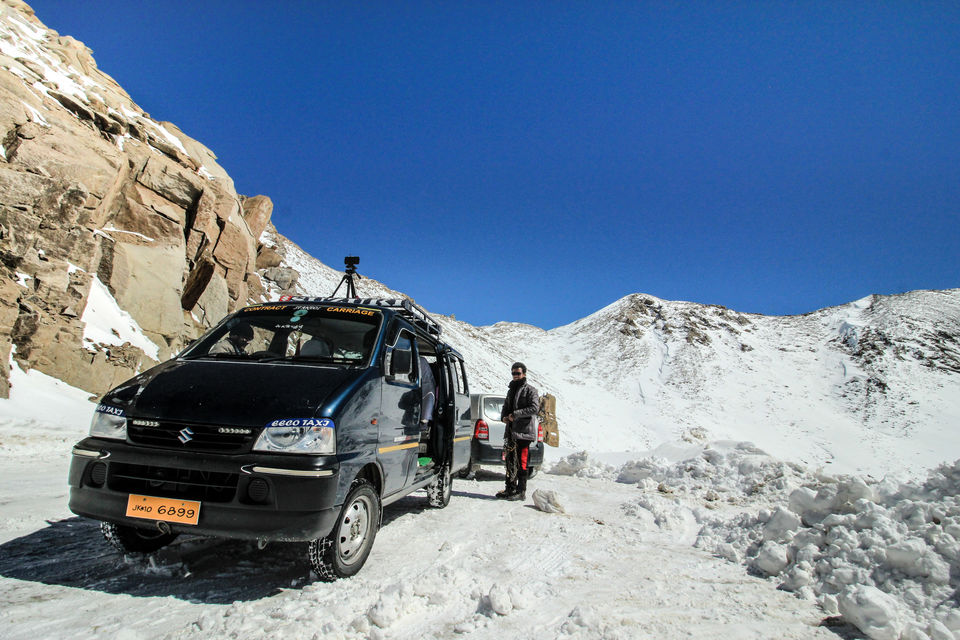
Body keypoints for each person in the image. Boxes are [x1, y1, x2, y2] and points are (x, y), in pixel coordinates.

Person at [497, 362, 539, 501]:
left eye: (518, 373)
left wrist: (515, 414)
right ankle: (510, 489)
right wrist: (503, 416)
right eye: (513, 373)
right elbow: (506, 406)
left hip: (524, 432)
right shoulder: (511, 390)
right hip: (510, 431)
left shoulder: (530, 390)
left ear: (524, 374)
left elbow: (534, 408)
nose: (515, 376)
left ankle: (521, 491)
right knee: (510, 461)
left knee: (522, 462)